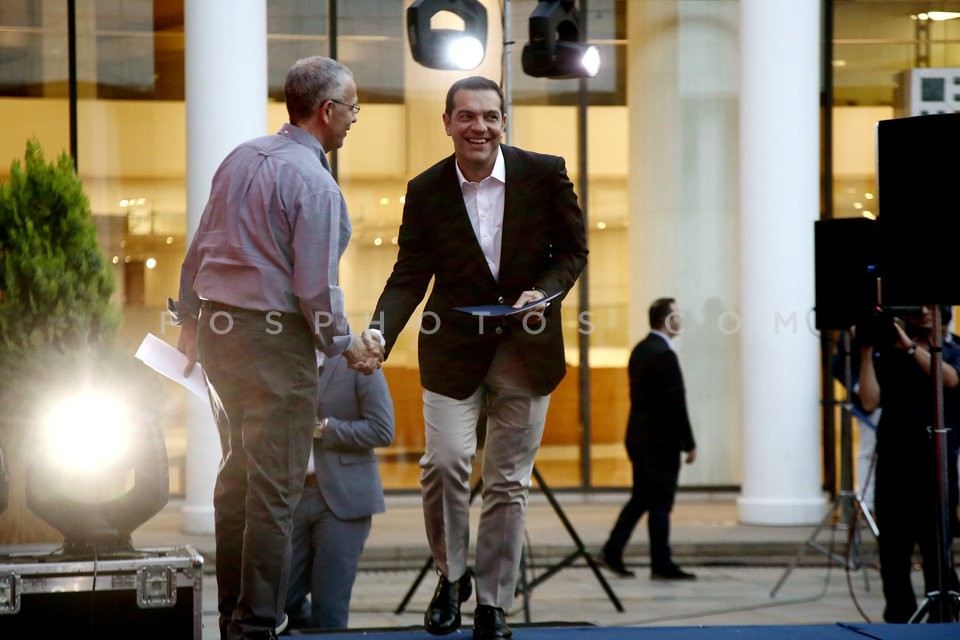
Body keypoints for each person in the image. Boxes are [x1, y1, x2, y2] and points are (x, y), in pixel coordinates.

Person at [369, 76, 588, 640]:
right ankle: (451, 576)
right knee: (444, 463)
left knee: (507, 483)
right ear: (447, 123)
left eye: (490, 116)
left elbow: (572, 252)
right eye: (466, 116)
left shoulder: (545, 173)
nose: (479, 127)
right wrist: (377, 334)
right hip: (453, 349)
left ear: (503, 121)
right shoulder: (426, 190)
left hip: (526, 347)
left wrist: (543, 292)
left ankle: (493, 603)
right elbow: (408, 275)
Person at [173, 55, 383, 640]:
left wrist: (187, 318)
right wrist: (346, 347)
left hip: (219, 338)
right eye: (353, 109)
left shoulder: (240, 157)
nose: (353, 119)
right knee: (274, 490)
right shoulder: (316, 185)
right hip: (273, 344)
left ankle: (233, 620)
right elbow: (316, 290)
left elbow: (198, 247)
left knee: (237, 480)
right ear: (327, 110)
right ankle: (258, 626)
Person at [857, 305, 960, 622]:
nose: (923, 313)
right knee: (893, 552)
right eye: (917, 307)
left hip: (935, 461)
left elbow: (949, 380)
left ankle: (942, 613)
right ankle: (899, 618)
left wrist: (912, 348)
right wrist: (866, 352)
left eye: (930, 307)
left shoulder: (952, 348)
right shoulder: (888, 352)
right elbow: (869, 401)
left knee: (937, 549)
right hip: (894, 460)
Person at [284, 353, 395, 631]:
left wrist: (323, 428)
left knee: (330, 609)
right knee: (280, 599)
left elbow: (383, 430)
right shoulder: (283, 356)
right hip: (291, 498)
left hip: (345, 498)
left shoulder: (358, 359)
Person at [599, 297, 697, 581]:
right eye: (676, 314)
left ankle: (614, 550)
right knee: (660, 501)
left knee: (643, 498)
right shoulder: (664, 355)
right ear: (667, 320)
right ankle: (660, 563)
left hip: (640, 438)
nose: (680, 319)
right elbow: (675, 402)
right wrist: (689, 442)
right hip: (660, 442)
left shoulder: (641, 349)